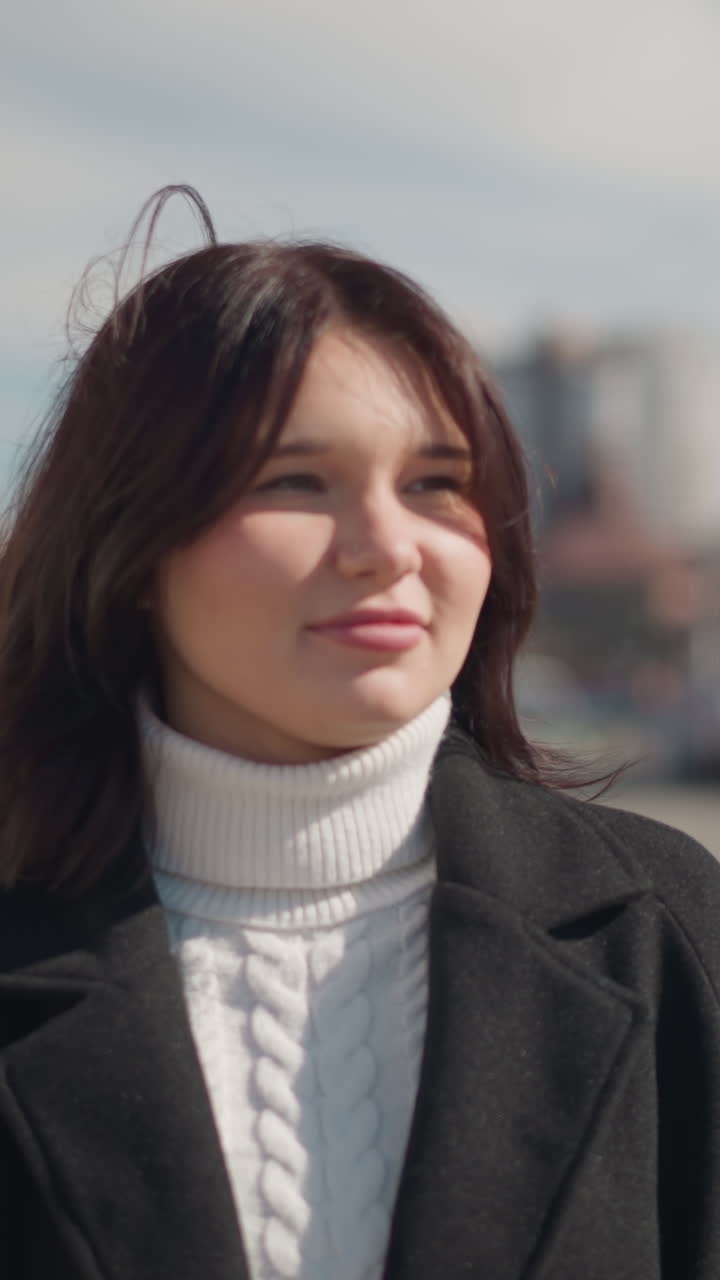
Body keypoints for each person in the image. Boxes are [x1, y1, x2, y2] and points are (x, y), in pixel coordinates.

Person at [1, 185, 719, 1280]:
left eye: (438, 482)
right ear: (132, 544)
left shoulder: (666, 929)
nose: (387, 546)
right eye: (297, 479)